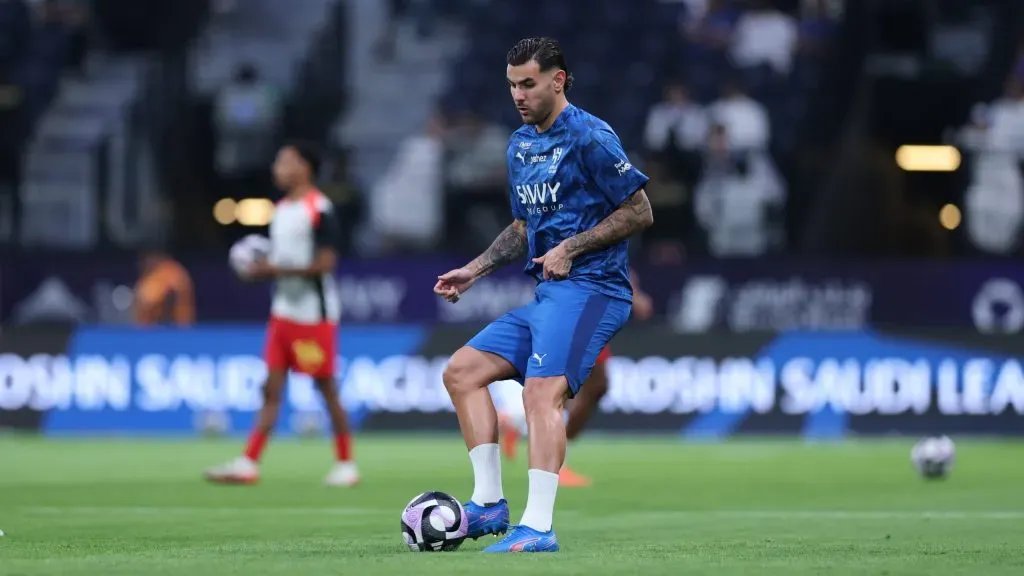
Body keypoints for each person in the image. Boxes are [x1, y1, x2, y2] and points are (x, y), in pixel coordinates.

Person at [433, 37, 653, 553]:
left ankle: (538, 527)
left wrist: (572, 247)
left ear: (558, 80)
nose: (518, 95)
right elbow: (521, 225)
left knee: (540, 393)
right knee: (461, 372)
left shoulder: (591, 137)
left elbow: (640, 211)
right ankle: (488, 505)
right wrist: (476, 269)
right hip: (549, 294)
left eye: (527, 83)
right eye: (511, 85)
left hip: (593, 289)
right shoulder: (520, 145)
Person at [204, 142, 358, 487]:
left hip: (312, 317)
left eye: (285, 160)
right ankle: (249, 462)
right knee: (270, 389)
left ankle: (347, 464)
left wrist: (272, 270)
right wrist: (263, 267)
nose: (278, 167)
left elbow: (326, 263)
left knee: (326, 389)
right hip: (282, 313)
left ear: (305, 167)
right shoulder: (280, 209)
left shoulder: (319, 209)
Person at [497, 268, 654, 487]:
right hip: (578, 316)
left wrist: (634, 296)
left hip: (594, 319)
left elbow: (621, 272)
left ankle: (516, 421)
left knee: (596, 386)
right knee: (565, 389)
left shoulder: (610, 250)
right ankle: (556, 465)